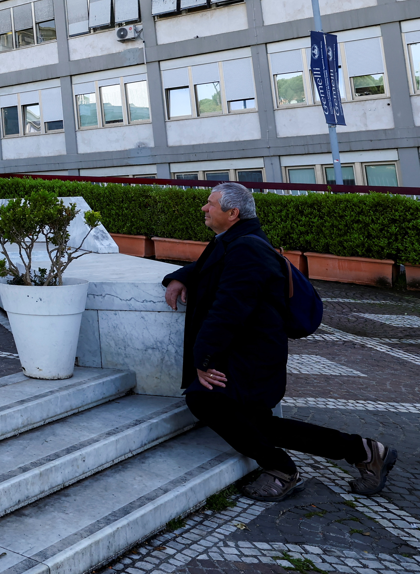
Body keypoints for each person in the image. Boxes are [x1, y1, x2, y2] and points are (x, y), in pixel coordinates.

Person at [163, 182, 396, 501]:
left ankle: (281, 469)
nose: (204, 208)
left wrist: (202, 361)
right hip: (247, 353)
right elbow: (207, 269)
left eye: (210, 204)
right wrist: (179, 278)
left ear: (232, 213)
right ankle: (366, 451)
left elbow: (229, 310)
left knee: (204, 399)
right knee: (260, 424)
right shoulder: (234, 241)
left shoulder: (246, 248)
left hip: (253, 358)